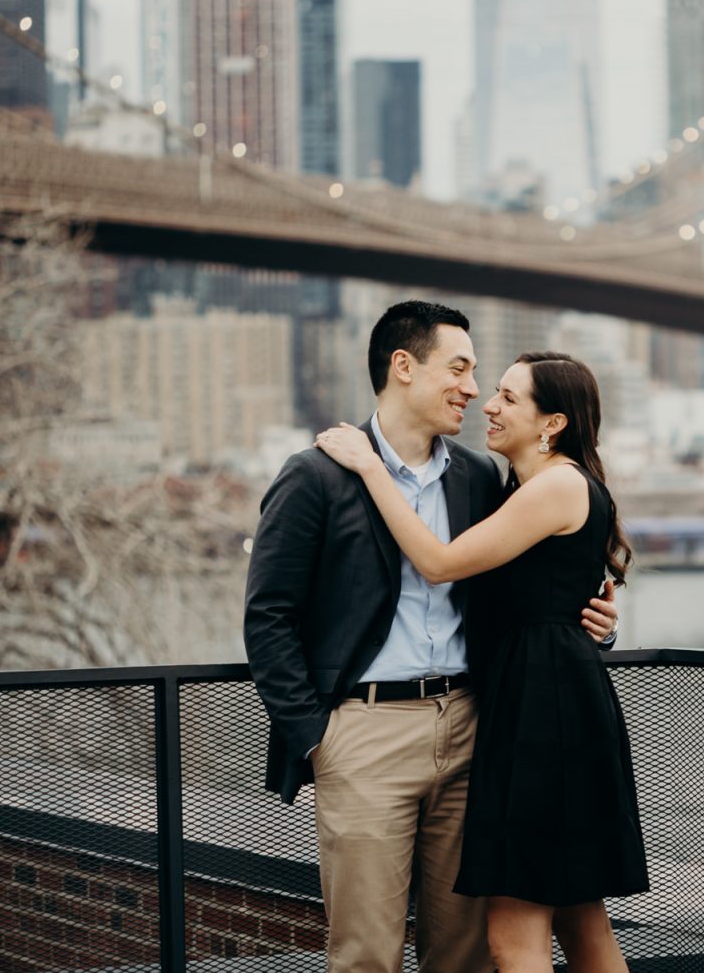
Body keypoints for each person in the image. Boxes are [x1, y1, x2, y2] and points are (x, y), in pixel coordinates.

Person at [244, 302, 619, 973]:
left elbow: (536, 580)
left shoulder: (480, 477)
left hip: (476, 732)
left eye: (483, 379)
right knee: (367, 956)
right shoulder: (318, 475)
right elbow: (267, 616)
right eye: (461, 369)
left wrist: (595, 620)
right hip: (363, 738)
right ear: (404, 367)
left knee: (466, 955)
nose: (474, 392)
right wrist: (315, 735)